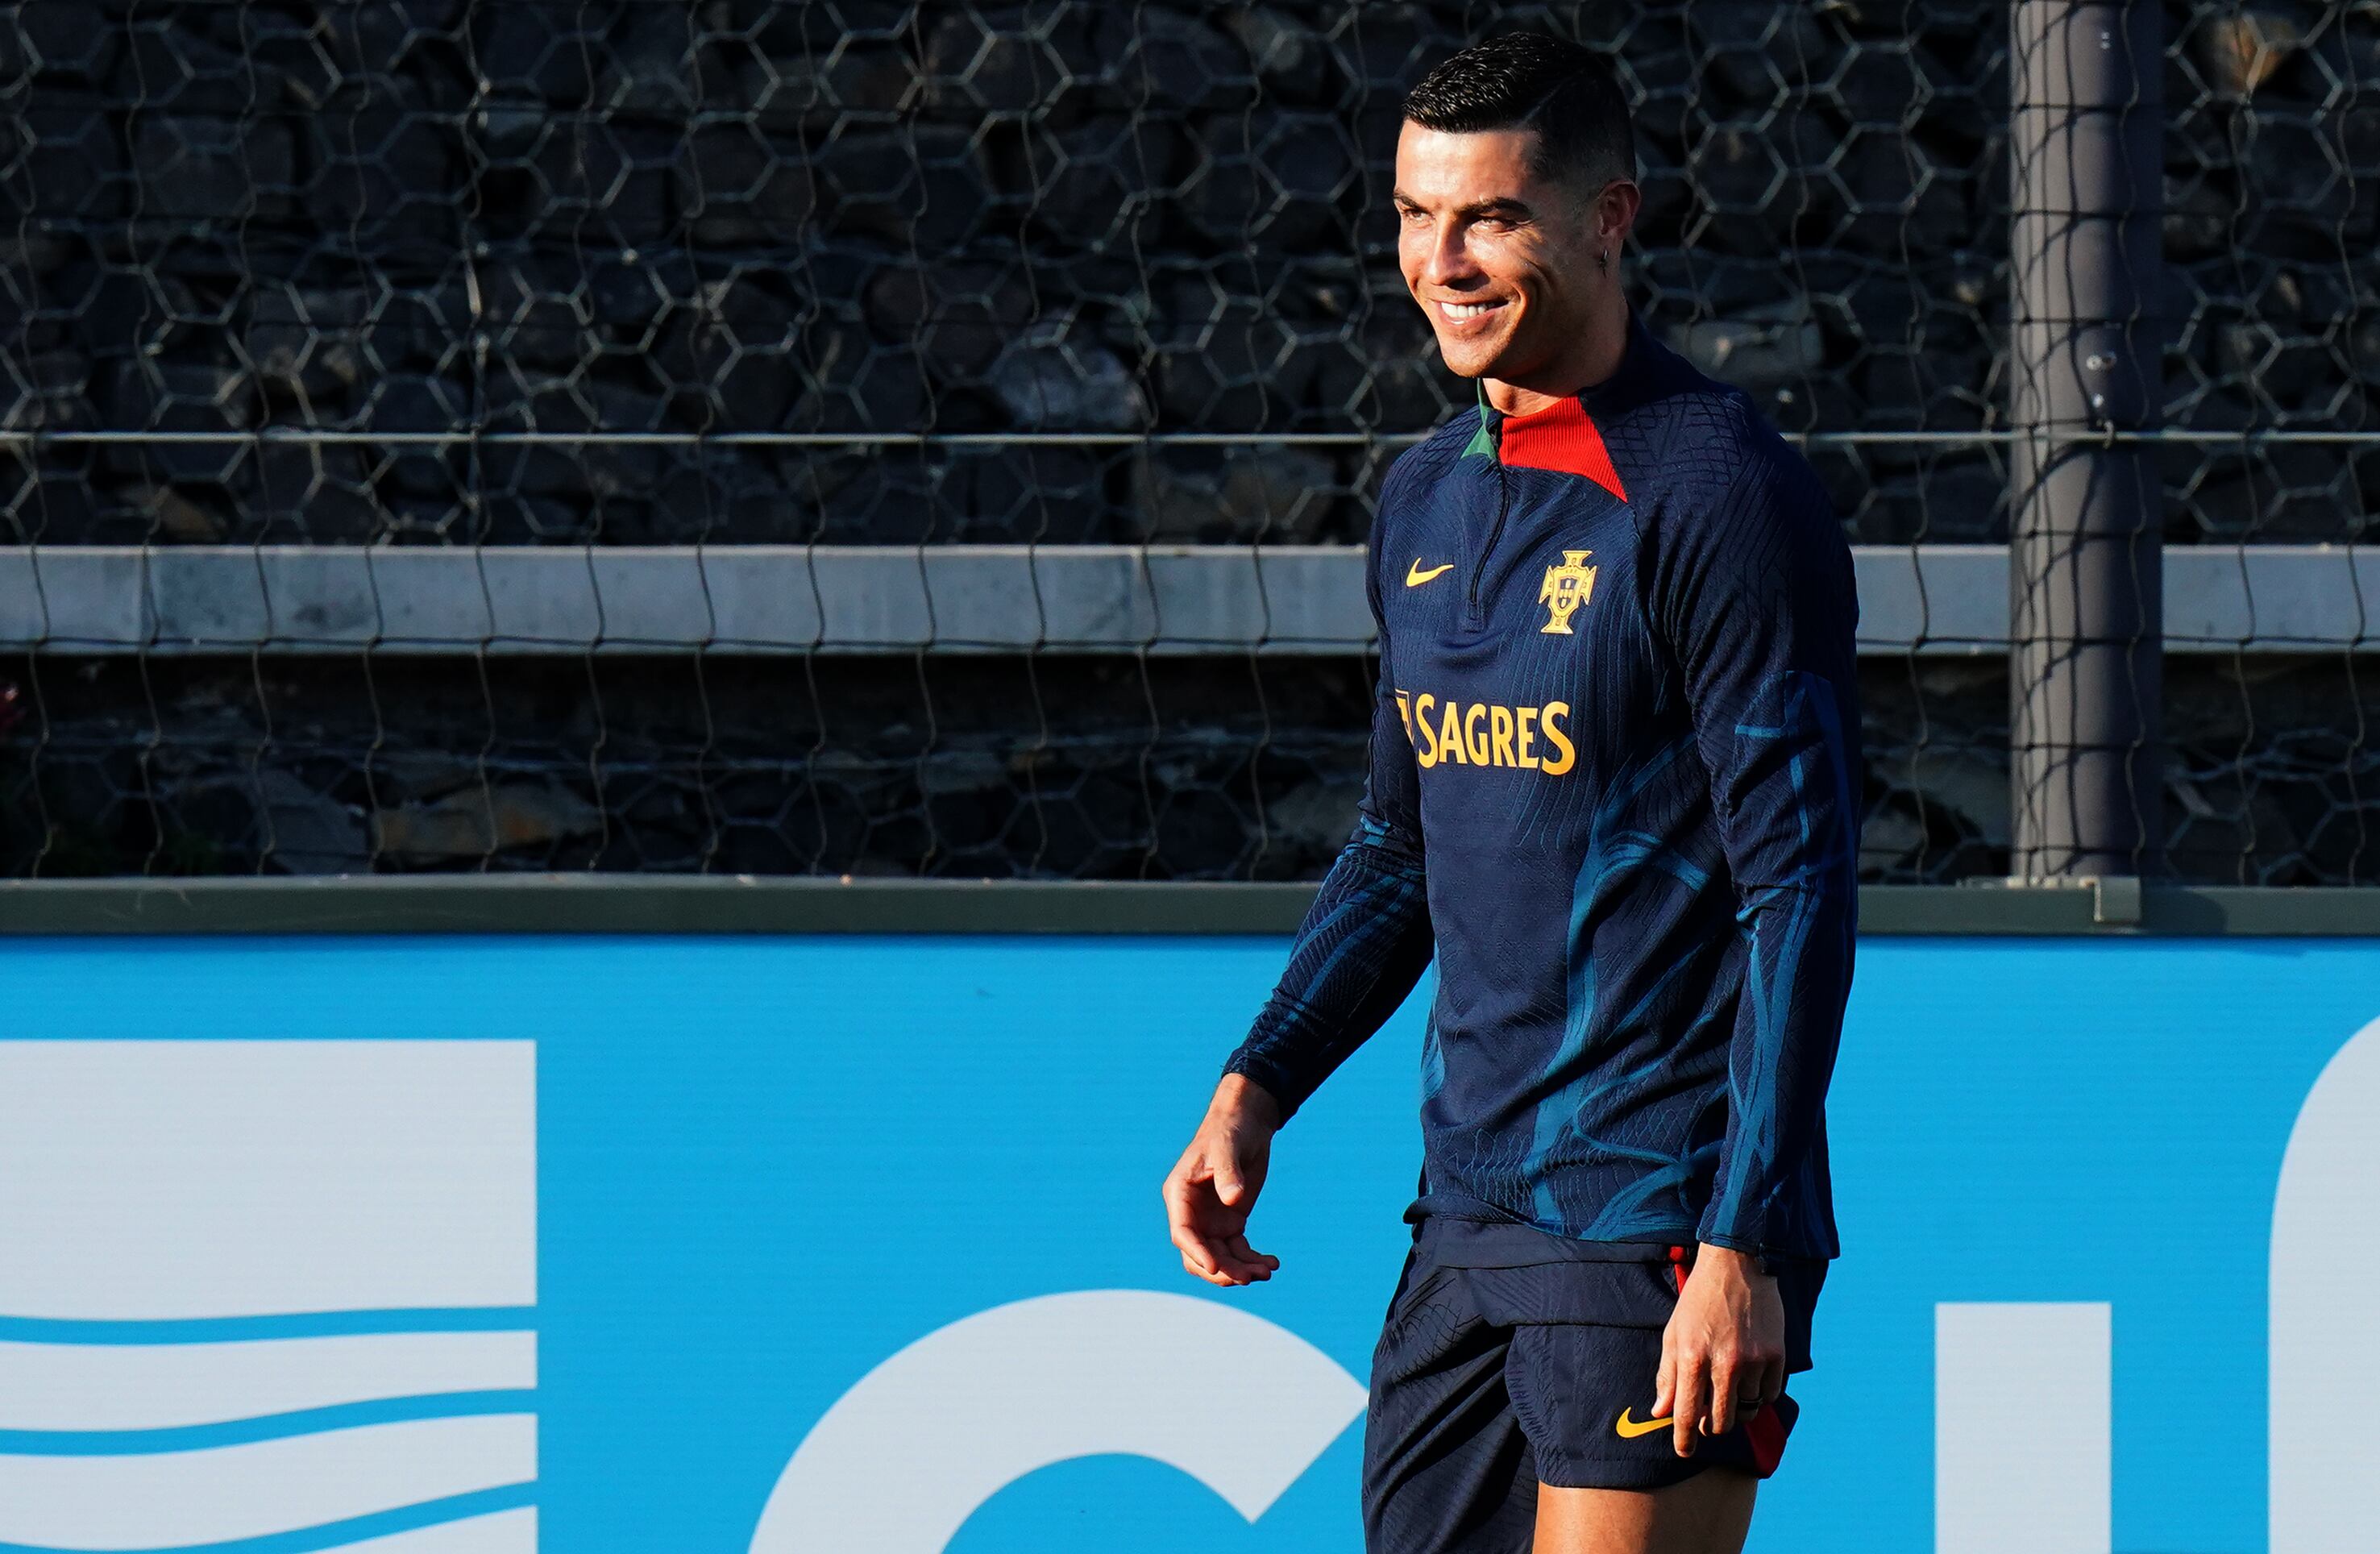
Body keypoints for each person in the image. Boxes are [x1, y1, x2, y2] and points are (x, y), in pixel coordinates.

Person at [1161, 32, 1863, 1554]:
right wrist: (1256, 1084)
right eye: (1416, 215)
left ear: (1608, 217)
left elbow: (1795, 890)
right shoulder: (1423, 492)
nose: (1442, 260)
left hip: (1657, 1219)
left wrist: (1741, 1239)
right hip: (1464, 1218)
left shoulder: (1718, 492)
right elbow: (1396, 849)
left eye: (1489, 217)